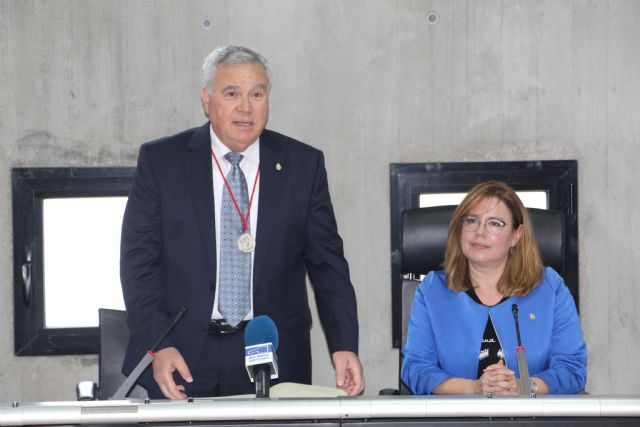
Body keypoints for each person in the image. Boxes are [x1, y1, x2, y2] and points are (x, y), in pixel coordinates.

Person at [120, 45, 364, 399]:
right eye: (231, 93)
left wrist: (344, 344)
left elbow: (328, 265)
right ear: (207, 99)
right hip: (182, 354)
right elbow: (138, 264)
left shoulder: (302, 165)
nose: (245, 108)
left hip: (272, 352)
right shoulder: (162, 162)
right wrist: (159, 346)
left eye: (257, 94)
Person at [401, 181, 587, 396]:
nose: (480, 232)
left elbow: (572, 369)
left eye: (495, 223)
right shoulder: (433, 290)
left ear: (516, 236)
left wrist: (522, 387)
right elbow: (417, 370)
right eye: (472, 220)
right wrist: (474, 388)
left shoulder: (550, 288)